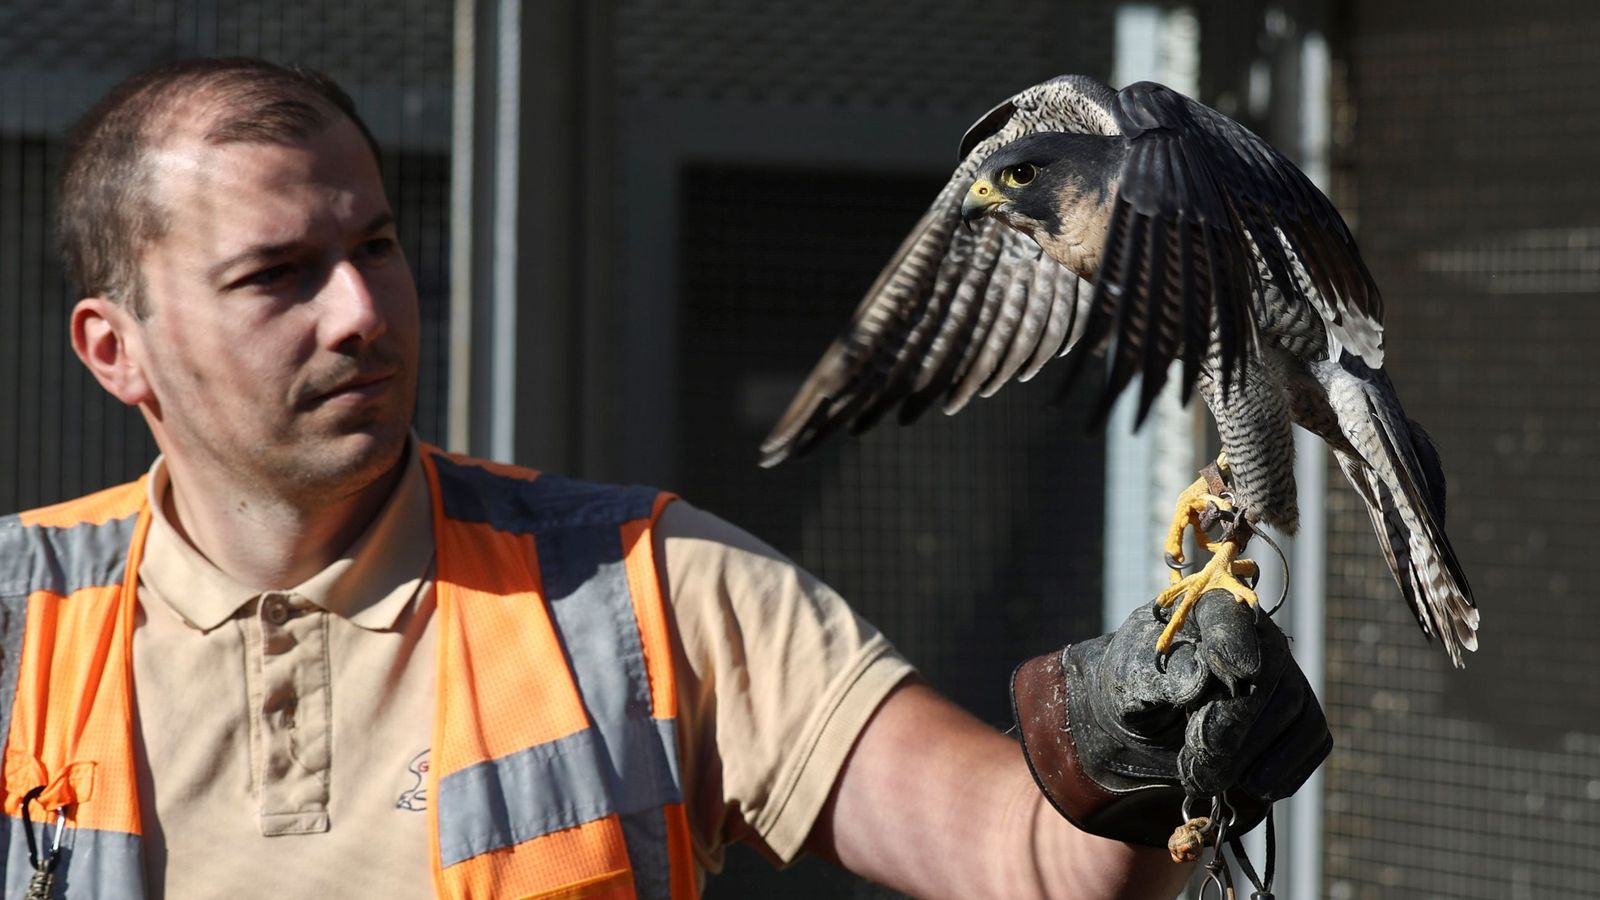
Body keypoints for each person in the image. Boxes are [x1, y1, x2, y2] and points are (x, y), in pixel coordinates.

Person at [0, 57, 1327, 899]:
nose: (362, 310)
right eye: (277, 273)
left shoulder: (646, 588)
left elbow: (1014, 853)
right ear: (119, 352)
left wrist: (1130, 758)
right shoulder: (18, 625)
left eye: (381, 245)